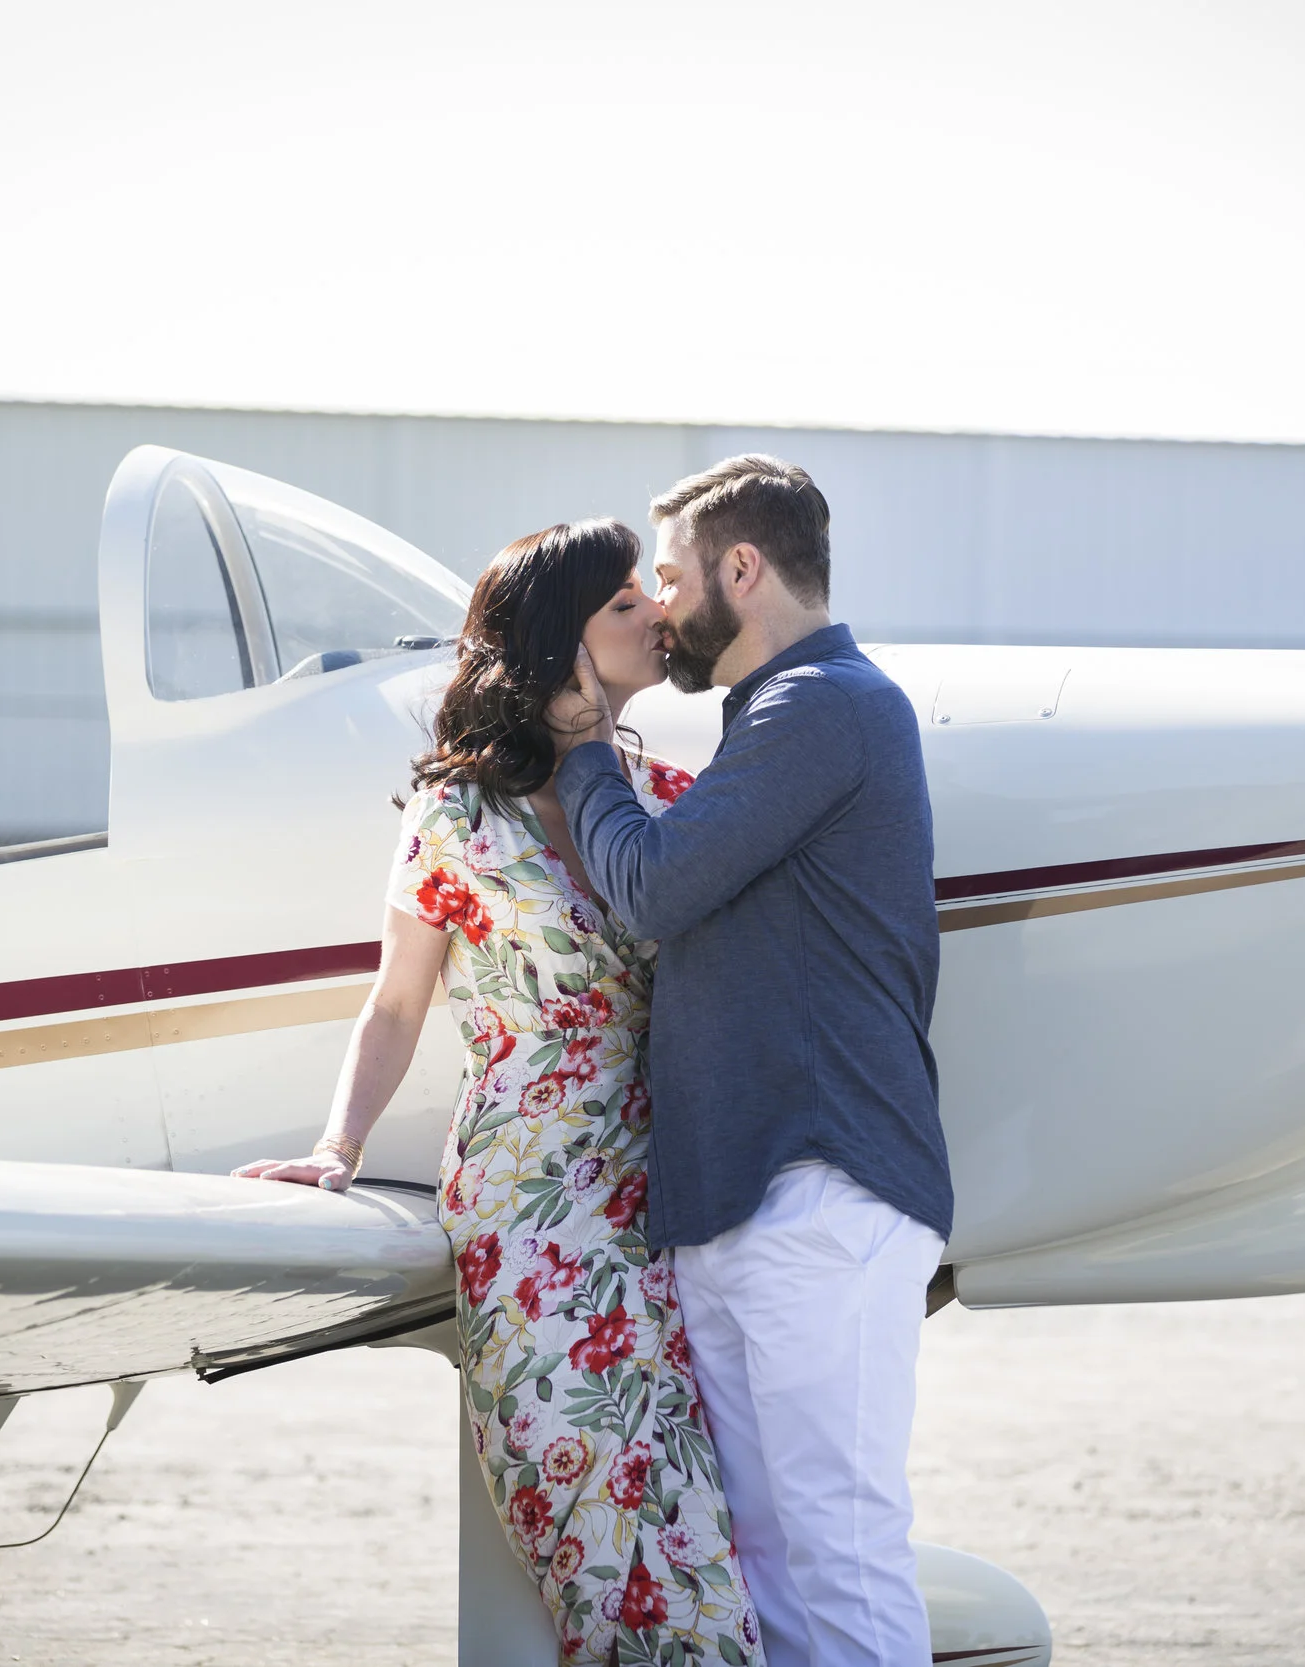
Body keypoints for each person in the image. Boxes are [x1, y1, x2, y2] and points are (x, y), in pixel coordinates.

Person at [234, 519, 765, 1667]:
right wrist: (339, 1142)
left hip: (657, 1201)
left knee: (683, 1506)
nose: (653, 615)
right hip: (529, 1203)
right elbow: (394, 1001)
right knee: (588, 1506)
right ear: (557, 639)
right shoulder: (457, 814)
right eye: (622, 602)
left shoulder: (673, 798)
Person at [547, 456, 953, 1667]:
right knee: (769, 1559)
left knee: (836, 1544)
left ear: (742, 568)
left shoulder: (822, 706)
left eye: (667, 576)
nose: (657, 606)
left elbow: (657, 885)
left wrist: (577, 752)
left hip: (815, 1192)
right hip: (744, 1199)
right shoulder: (769, 719)